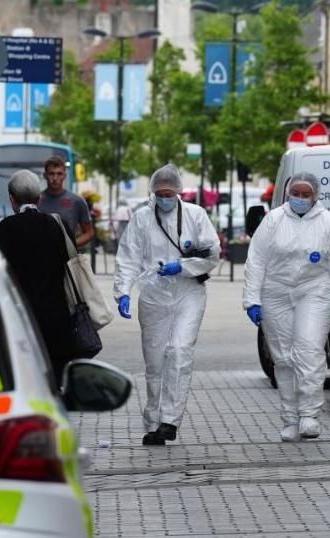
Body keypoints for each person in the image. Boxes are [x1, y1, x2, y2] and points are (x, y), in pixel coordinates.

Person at [243, 172, 330, 442]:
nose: (299, 199)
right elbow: (256, 261)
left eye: (305, 194)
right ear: (288, 193)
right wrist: (251, 299)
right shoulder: (273, 221)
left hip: (315, 291)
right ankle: (290, 418)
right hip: (275, 292)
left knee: (309, 350)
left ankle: (309, 414)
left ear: (315, 196)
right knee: (283, 357)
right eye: (295, 193)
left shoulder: (327, 223)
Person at [114, 164, 220, 446]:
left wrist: (183, 266)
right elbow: (128, 257)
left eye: (169, 193)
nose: (165, 198)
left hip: (188, 293)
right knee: (155, 360)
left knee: (180, 351)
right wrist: (123, 290)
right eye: (160, 194)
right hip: (153, 295)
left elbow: (213, 253)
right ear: (153, 193)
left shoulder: (196, 216)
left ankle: (170, 419)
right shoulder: (142, 219)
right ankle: (153, 423)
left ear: (178, 192)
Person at [0, 170, 73, 386]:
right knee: (54, 385)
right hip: (56, 320)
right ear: (39, 198)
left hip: (20, 319)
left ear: (12, 199)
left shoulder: (6, 228)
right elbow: (67, 264)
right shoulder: (57, 225)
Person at [37, 155, 94, 249]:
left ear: (64, 176)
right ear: (45, 175)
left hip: (68, 260)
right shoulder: (35, 200)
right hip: (40, 257)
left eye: (59, 174)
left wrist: (71, 245)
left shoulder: (77, 201)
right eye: (51, 173)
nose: (55, 178)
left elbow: (89, 233)